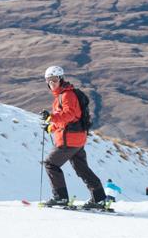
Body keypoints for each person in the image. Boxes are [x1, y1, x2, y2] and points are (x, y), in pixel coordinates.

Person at [40, 65, 110, 210]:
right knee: (81, 168)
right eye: (48, 81)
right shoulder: (61, 95)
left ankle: (60, 198)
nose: (51, 83)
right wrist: (51, 126)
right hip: (76, 138)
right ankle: (100, 199)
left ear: (60, 78)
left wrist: (51, 117)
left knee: (50, 164)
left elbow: (70, 115)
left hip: (69, 140)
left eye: (54, 80)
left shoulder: (67, 95)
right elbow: (67, 120)